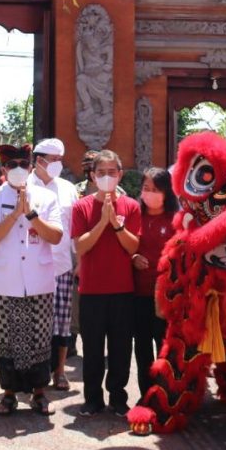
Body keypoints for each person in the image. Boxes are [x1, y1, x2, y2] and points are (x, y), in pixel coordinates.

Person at [0, 144, 64, 415]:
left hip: (38, 280)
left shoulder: (46, 197)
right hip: (4, 281)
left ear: (30, 167)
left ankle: (39, 392)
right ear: (2, 168)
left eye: (23, 165)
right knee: (6, 339)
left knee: (39, 339)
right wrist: (14, 213)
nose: (18, 170)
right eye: (11, 165)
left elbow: (56, 236)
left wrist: (30, 214)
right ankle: (9, 394)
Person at [72, 150, 142, 417]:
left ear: (120, 174)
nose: (107, 177)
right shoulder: (82, 206)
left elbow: (133, 246)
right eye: (101, 173)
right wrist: (102, 221)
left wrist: (116, 224)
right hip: (91, 289)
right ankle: (92, 398)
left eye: (112, 172)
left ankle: (118, 397)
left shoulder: (131, 206)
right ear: (92, 175)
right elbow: (80, 246)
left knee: (121, 348)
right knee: (92, 348)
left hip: (123, 289)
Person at [27, 138, 80, 391]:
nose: (59, 164)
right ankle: (31, 373)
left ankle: (59, 371)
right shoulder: (23, 186)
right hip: (30, 265)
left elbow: (74, 229)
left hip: (61, 265)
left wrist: (78, 260)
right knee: (33, 322)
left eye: (60, 160)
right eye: (55, 160)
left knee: (61, 322)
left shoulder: (68, 188)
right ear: (40, 160)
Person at [131, 167, 178, 399]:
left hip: (165, 297)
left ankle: (165, 394)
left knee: (164, 347)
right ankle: (145, 395)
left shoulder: (176, 220)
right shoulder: (133, 216)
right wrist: (132, 258)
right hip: (138, 294)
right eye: (146, 189)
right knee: (141, 349)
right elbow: (124, 248)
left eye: (155, 190)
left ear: (166, 192)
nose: (149, 194)